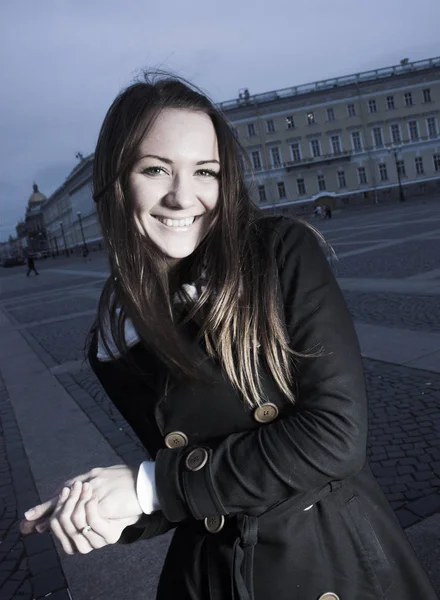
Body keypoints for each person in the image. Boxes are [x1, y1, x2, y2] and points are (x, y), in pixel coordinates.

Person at [20, 74, 437, 600]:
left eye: (205, 172)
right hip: (214, 575)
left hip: (329, 557)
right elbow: (194, 474)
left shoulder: (277, 253)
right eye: (155, 169)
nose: (183, 196)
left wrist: (149, 487)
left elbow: (334, 437)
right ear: (116, 181)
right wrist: (108, 509)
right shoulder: (115, 336)